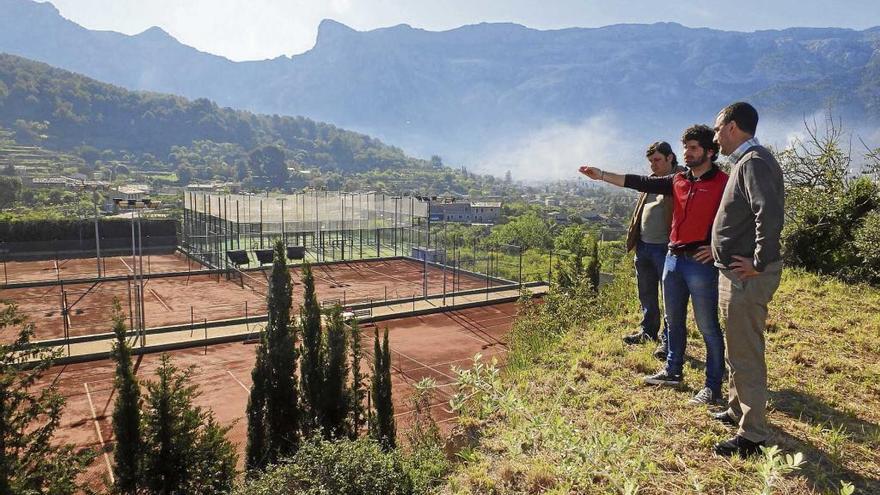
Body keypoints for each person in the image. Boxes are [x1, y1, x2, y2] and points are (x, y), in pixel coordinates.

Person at [579, 125, 728, 405]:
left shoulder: (724, 183)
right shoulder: (678, 180)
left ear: (710, 151)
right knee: (673, 321)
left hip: (700, 263)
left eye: (694, 147)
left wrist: (719, 247)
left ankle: (712, 385)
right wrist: (601, 175)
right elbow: (638, 182)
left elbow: (741, 219)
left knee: (708, 326)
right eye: (686, 146)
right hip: (673, 258)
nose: (688, 152)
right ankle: (673, 371)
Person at [709, 102, 785, 457]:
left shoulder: (753, 162)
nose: (715, 136)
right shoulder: (747, 162)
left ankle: (752, 436)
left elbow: (767, 212)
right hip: (735, 274)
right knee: (736, 347)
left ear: (733, 127)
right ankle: (737, 409)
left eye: (717, 128)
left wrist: (759, 261)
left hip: (746, 277)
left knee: (746, 353)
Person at [622, 141, 683, 361]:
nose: (653, 165)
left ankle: (668, 340)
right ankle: (648, 331)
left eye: (657, 160)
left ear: (670, 158)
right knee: (646, 292)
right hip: (645, 247)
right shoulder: (651, 182)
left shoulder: (681, 180)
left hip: (667, 248)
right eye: (650, 161)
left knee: (670, 297)